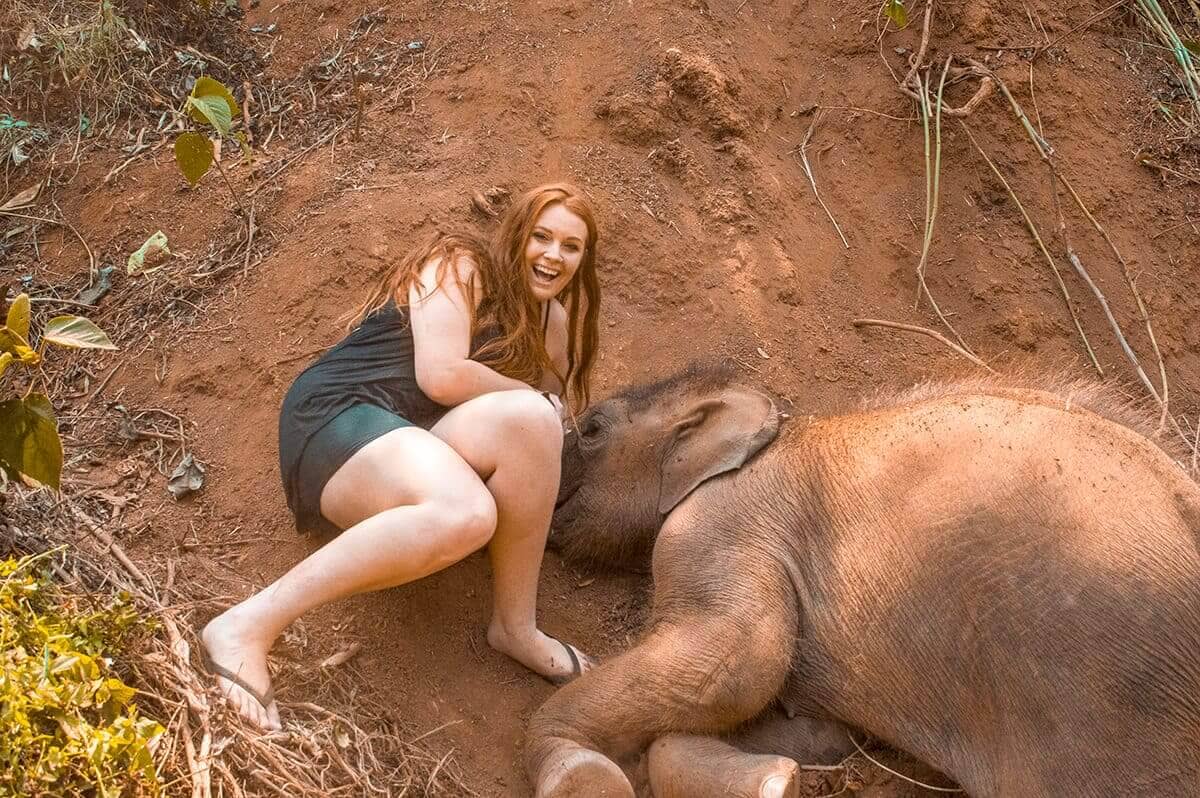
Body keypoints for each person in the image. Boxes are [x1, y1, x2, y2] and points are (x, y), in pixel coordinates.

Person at [201, 183, 602, 730]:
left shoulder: (552, 327)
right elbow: (439, 376)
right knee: (470, 509)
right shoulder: (460, 264)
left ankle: (516, 627)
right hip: (341, 414)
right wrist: (534, 397)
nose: (554, 255)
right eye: (542, 237)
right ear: (517, 234)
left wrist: (541, 405)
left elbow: (538, 425)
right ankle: (246, 626)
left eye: (571, 246)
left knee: (532, 423)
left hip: (414, 441)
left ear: (584, 259)